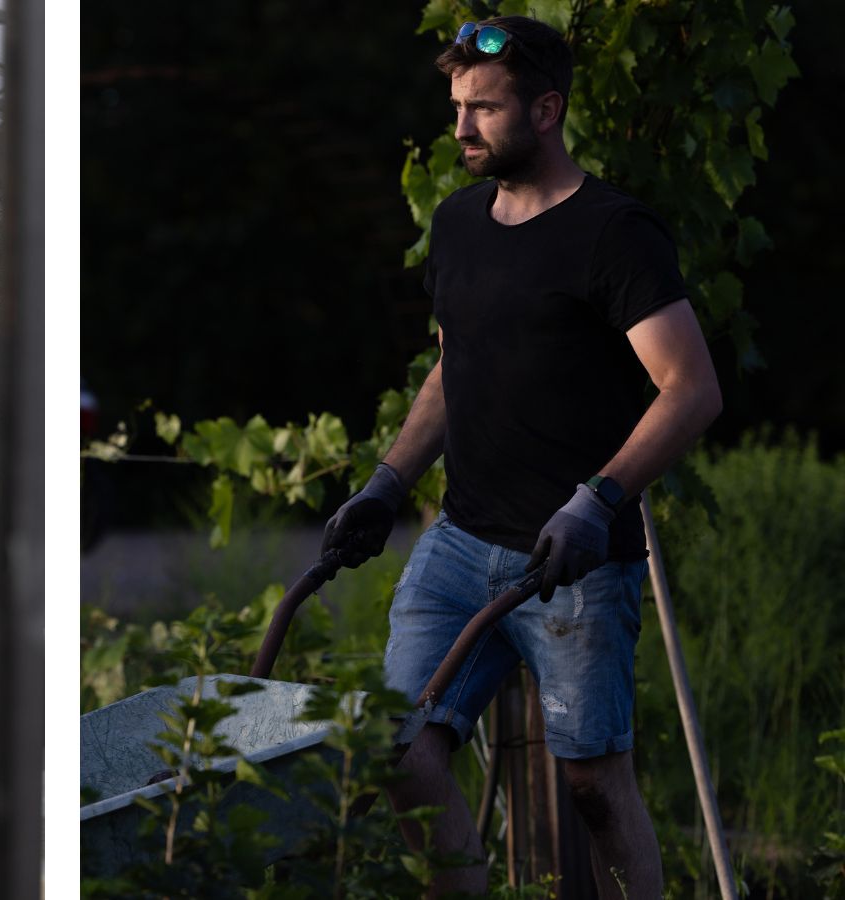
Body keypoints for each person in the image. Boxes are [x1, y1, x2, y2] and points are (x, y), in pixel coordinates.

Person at [319, 15, 722, 899]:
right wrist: (387, 484)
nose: (461, 129)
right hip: (459, 547)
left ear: (546, 110)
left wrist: (596, 502)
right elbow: (448, 371)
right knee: (400, 752)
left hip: (574, 565)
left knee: (593, 787)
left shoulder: (615, 233)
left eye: (484, 110)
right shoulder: (459, 225)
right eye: (457, 107)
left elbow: (691, 388)